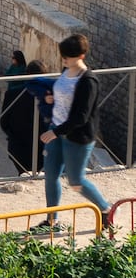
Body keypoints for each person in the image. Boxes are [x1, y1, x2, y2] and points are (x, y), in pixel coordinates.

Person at [41, 31, 115, 232]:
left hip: (76, 137)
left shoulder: (88, 81)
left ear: (80, 56)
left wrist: (55, 132)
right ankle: (51, 221)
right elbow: (64, 96)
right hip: (56, 129)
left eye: (67, 56)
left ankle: (106, 210)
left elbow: (80, 116)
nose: (63, 59)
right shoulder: (67, 70)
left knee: (75, 181)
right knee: (50, 175)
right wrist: (51, 99)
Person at [1, 52, 41, 174]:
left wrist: (12, 135)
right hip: (43, 145)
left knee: (24, 173)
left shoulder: (11, 94)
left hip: (18, 145)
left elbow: (4, 121)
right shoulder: (51, 94)